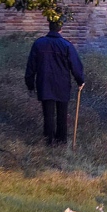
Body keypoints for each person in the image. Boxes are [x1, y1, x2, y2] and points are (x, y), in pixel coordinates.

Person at [25, 18, 85, 146]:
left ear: (49, 27)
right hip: (62, 84)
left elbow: (31, 66)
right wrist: (80, 80)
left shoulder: (38, 44)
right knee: (62, 114)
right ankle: (61, 141)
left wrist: (30, 84)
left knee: (48, 114)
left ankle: (48, 141)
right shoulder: (66, 45)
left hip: (44, 83)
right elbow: (75, 65)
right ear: (61, 29)